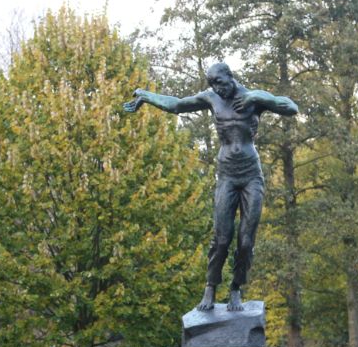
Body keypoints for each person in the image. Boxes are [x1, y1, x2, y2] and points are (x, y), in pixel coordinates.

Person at [123, 62, 298, 311]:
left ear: (230, 77)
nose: (217, 88)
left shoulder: (254, 98)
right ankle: (210, 288)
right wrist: (145, 96)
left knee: (246, 241)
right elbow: (176, 105)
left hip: (251, 176)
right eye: (212, 84)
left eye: (219, 82)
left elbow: (291, 107)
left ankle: (236, 289)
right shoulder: (211, 98)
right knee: (222, 237)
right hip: (226, 174)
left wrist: (255, 97)